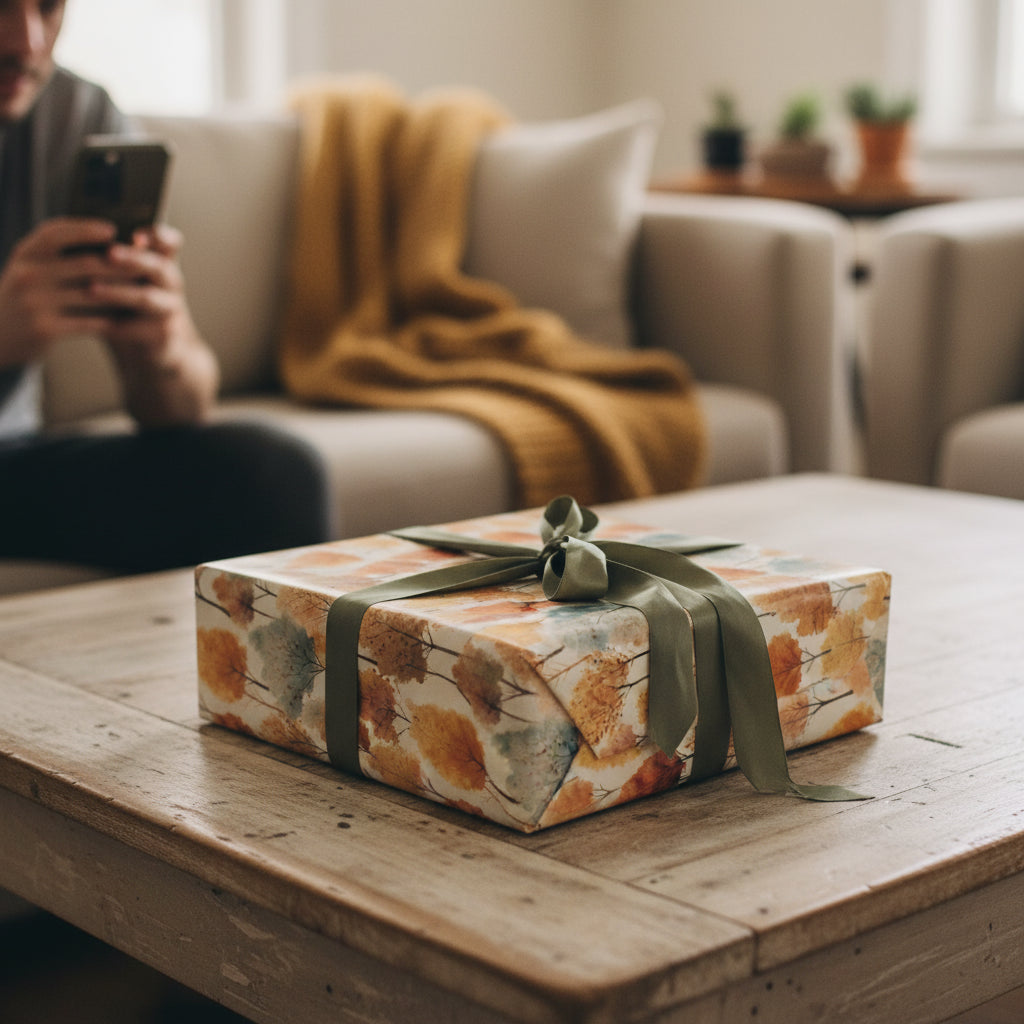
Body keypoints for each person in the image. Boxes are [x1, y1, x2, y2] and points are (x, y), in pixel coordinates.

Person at [0, 0, 331, 575]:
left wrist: (160, 347)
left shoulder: (76, 112)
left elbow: (179, 410)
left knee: (270, 472)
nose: (27, 44)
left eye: (48, 7)